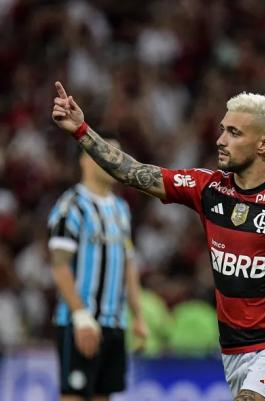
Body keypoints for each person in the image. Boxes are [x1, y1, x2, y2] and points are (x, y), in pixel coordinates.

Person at [51, 81, 265, 401]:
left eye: (234, 133)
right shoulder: (207, 188)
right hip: (235, 349)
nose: (221, 140)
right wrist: (81, 130)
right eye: (222, 130)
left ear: (264, 145)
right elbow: (133, 172)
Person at [47, 134, 148, 401]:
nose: (115, 161)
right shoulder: (72, 206)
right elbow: (59, 265)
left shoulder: (121, 209)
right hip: (81, 320)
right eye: (108, 154)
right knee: (74, 395)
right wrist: (80, 316)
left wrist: (137, 315)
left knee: (104, 395)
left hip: (114, 321)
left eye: (118, 156)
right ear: (86, 160)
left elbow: (128, 264)